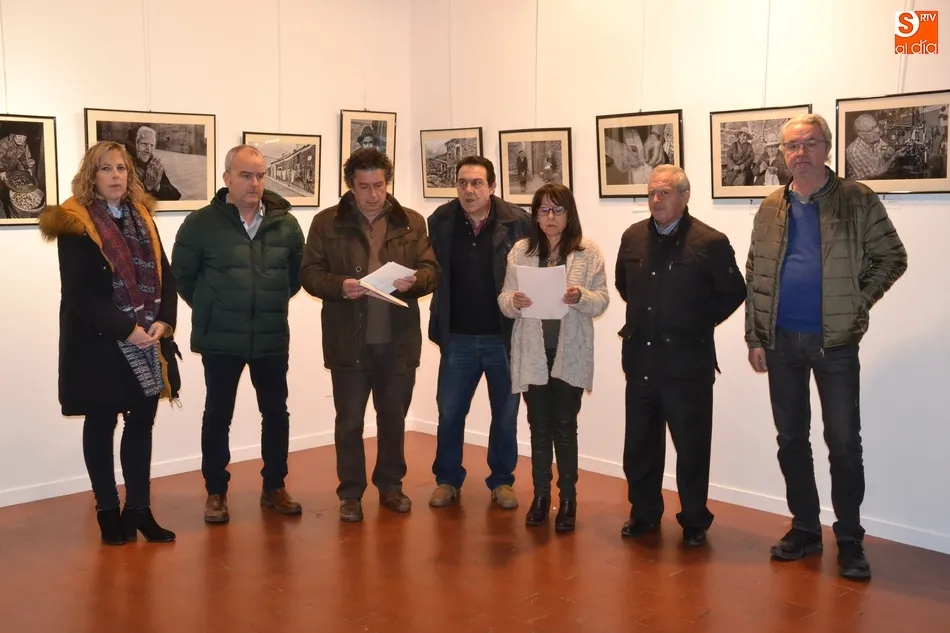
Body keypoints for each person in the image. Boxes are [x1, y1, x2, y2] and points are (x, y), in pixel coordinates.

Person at [746, 113, 908, 580]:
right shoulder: (770, 205)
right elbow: (756, 271)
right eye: (793, 146)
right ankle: (804, 528)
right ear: (783, 153)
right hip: (781, 343)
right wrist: (755, 335)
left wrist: (858, 299)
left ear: (828, 148)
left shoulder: (857, 199)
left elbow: (892, 257)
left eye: (811, 143)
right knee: (792, 439)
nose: (801, 153)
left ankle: (851, 537)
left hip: (835, 341)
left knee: (842, 442)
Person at [38, 141, 181, 545]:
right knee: (101, 425)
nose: (116, 175)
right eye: (106, 169)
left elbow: (165, 275)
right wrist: (127, 329)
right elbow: (80, 295)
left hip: (146, 341)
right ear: (92, 176)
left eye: (122, 168)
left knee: (141, 424)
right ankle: (106, 510)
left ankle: (139, 509)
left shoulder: (142, 218)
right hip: (101, 345)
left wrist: (164, 321)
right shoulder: (75, 223)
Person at [300, 148, 439, 522]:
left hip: (397, 339)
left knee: (393, 419)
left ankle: (391, 486)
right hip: (349, 338)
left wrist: (416, 281)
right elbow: (309, 273)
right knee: (349, 422)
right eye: (364, 187)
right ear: (350, 186)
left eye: (379, 185)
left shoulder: (412, 222)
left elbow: (431, 268)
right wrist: (339, 285)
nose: (373, 194)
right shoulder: (326, 223)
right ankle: (350, 493)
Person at [171, 144, 305, 524]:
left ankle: (274, 486)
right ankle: (216, 491)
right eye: (246, 175)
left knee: (276, 413)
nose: (255, 183)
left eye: (260, 176)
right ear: (227, 178)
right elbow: (183, 277)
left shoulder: (286, 224)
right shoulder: (201, 224)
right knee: (218, 414)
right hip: (221, 338)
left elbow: (295, 276)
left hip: (270, 334)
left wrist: (267, 300)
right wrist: (214, 305)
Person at [616, 164, 746, 547]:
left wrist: (694, 322)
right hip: (641, 360)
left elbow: (733, 292)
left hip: (688, 364)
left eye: (666, 192)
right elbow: (626, 287)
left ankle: (693, 520)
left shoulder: (710, 242)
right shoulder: (632, 237)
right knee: (639, 445)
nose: (657, 199)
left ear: (685, 196)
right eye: (653, 192)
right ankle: (643, 513)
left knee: (691, 448)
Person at [497, 184, 609, 532]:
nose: (550, 217)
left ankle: (569, 499)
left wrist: (580, 296)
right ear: (535, 215)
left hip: (568, 352)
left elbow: (602, 300)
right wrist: (513, 301)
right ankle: (541, 497)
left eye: (557, 210)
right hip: (533, 352)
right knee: (538, 426)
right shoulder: (521, 251)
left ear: (569, 213)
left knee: (565, 427)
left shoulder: (587, 252)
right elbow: (503, 298)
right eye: (543, 210)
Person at [427, 156, 533, 509]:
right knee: (450, 412)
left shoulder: (519, 223)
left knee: (505, 414)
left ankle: (502, 481)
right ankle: (447, 479)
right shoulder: (441, 221)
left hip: (504, 337)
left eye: (476, 183)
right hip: (457, 336)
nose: (468, 190)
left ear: (492, 186)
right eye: (462, 183)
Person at [127, 125, 182, 201]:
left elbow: (176, 195)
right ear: (134, 145)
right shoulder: (125, 166)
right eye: (144, 144)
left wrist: (157, 187)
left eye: (151, 145)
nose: (149, 150)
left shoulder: (153, 166)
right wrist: (147, 187)